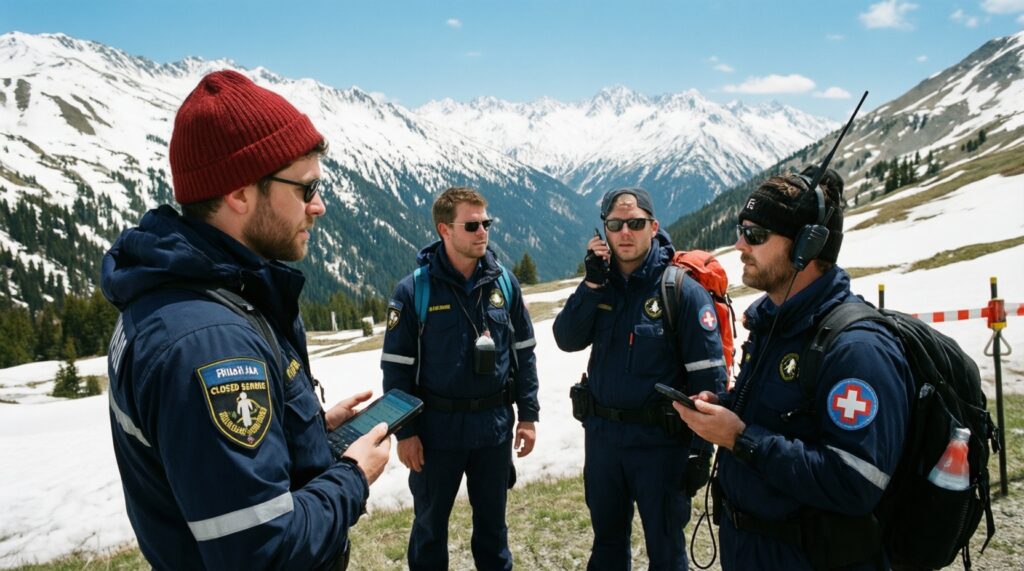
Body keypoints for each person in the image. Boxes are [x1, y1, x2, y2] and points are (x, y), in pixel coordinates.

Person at [102, 70, 391, 571]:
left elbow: (207, 463)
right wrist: (352, 475)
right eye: (307, 188)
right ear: (239, 194)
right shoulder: (211, 344)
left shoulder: (192, 298)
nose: (319, 206)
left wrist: (303, 433)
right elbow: (261, 552)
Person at [672, 169, 914, 570]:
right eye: (741, 229)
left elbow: (856, 480)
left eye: (756, 235)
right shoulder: (775, 325)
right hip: (754, 551)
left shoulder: (857, 349)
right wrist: (726, 406)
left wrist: (741, 439)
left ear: (807, 247)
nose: (739, 245)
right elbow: (784, 414)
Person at [553, 187, 727, 570]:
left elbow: (710, 381)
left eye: (635, 223)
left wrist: (702, 450)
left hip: (660, 450)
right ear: (604, 232)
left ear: (654, 226)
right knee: (608, 547)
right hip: (603, 445)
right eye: (615, 225)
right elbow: (566, 339)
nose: (625, 233)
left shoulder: (680, 290)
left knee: (666, 552)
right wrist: (591, 284)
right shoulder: (601, 285)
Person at [380, 186, 540, 570]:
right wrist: (405, 432)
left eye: (487, 223)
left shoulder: (504, 284)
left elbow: (525, 354)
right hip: (436, 434)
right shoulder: (413, 291)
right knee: (430, 530)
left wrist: (529, 415)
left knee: (493, 532)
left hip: (494, 430)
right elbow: (396, 369)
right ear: (444, 230)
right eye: (472, 225)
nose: (483, 231)